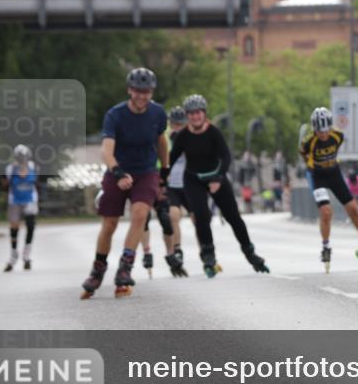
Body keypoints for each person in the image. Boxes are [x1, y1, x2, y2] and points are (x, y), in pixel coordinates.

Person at [82, 68, 169, 299]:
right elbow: (106, 151)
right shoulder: (115, 115)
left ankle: (125, 268)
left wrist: (165, 171)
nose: (142, 96)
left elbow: (162, 142)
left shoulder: (158, 113)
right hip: (117, 170)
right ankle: (98, 270)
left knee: (140, 213)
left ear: (151, 92)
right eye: (138, 91)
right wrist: (119, 173)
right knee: (109, 224)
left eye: (147, 92)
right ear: (130, 90)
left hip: (146, 172)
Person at [169, 94, 269, 277]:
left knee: (233, 216)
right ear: (187, 116)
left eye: (198, 113)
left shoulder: (214, 132)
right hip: (193, 179)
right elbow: (171, 159)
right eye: (191, 114)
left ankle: (249, 252)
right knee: (201, 214)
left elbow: (226, 157)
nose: (195, 117)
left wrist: (217, 178)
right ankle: (208, 254)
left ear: (204, 114)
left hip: (217, 175)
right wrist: (161, 180)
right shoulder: (182, 136)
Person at [299, 107, 358, 271]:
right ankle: (326, 247)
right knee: (326, 212)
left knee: (353, 208)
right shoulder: (308, 142)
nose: (323, 135)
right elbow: (304, 156)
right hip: (317, 175)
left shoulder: (337, 136)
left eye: (326, 131)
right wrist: (313, 166)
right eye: (320, 132)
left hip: (333, 173)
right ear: (315, 130)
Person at [2, 145, 38, 271]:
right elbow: (5, 185)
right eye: (20, 157)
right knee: (14, 227)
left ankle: (26, 255)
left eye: (25, 157)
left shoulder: (32, 166)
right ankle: (13, 254)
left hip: (29, 199)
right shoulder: (10, 168)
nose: (23, 159)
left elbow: (35, 182)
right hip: (15, 200)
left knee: (31, 226)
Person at [164, 105, 190, 275]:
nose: (178, 127)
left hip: (189, 183)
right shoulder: (166, 138)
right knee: (173, 217)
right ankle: (176, 250)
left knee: (199, 219)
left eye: (181, 124)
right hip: (172, 183)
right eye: (175, 124)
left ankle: (207, 251)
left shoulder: (191, 136)